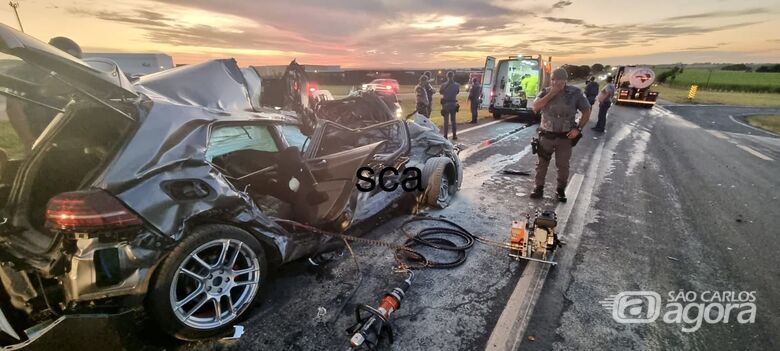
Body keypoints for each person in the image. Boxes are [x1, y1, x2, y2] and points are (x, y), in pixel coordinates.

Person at [7, 37, 82, 153]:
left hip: (63, 134)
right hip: (43, 138)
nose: (71, 64)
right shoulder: (26, 73)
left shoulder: (63, 76)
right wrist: (29, 141)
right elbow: (14, 107)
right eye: (69, 59)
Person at [530, 68, 591, 202]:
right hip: (546, 136)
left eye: (558, 80)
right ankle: (538, 188)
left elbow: (586, 111)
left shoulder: (575, 93)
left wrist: (578, 128)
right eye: (553, 79)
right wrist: (552, 93)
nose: (555, 82)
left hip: (565, 137)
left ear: (565, 80)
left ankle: (560, 190)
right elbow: (535, 107)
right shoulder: (545, 92)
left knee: (563, 166)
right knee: (541, 165)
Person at [439, 71, 460, 140]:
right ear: (453, 76)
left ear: (447, 76)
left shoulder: (443, 85)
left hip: (446, 104)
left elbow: (441, 92)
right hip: (453, 103)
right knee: (453, 120)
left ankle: (445, 136)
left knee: (446, 121)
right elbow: (457, 92)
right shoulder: (457, 85)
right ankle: (454, 135)